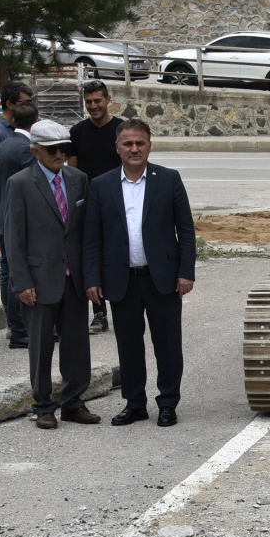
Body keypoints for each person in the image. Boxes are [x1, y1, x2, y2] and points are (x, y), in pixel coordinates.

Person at [83, 119, 196, 428]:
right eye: (128, 143)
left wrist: (186, 272)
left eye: (140, 143)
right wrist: (91, 278)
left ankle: (168, 403)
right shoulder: (101, 185)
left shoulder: (169, 179)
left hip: (163, 279)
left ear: (149, 145)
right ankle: (135, 404)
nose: (134, 149)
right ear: (117, 147)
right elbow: (92, 238)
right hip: (121, 281)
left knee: (168, 346)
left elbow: (185, 231)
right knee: (129, 346)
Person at [2, 120, 98, 429]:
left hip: (73, 279)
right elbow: (13, 237)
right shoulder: (19, 184)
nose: (60, 154)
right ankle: (43, 405)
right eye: (52, 149)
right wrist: (22, 281)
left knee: (76, 344)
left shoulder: (78, 179)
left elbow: (85, 232)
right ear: (35, 151)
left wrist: (91, 275)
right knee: (41, 346)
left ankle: (73, 401)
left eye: (63, 148)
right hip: (39, 281)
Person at [68, 80, 125, 337]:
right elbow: (73, 173)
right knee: (92, 257)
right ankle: (99, 313)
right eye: (89, 102)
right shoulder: (77, 132)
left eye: (97, 101)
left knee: (120, 255)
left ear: (108, 99)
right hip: (89, 206)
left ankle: (126, 307)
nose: (93, 106)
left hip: (120, 204)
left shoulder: (122, 129)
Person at [0, 98, 38, 348]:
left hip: (5, 213)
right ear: (35, 122)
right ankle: (20, 330)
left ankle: (17, 327)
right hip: (20, 217)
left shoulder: (4, 144)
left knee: (10, 271)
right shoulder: (26, 149)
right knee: (19, 273)